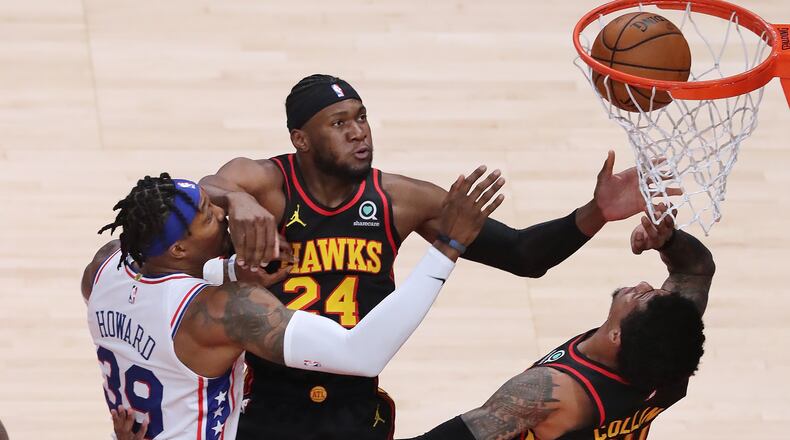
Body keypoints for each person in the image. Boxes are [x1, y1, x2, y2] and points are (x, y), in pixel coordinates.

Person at [199, 74, 666, 440]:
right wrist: (236, 202)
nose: (359, 132)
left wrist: (597, 211)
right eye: (339, 123)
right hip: (265, 401)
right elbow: (205, 187)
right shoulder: (266, 183)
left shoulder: (401, 199)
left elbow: (524, 255)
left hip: (353, 403)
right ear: (301, 139)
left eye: (361, 117)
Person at [84, 170, 503, 439]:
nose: (224, 214)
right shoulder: (226, 311)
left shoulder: (104, 269)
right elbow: (361, 354)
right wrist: (446, 248)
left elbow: (154, 304)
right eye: (210, 218)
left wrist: (228, 267)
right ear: (178, 248)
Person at [405, 208, 713, 440]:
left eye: (643, 297)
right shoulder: (671, 351)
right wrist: (669, 241)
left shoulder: (552, 392)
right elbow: (695, 271)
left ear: (617, 335)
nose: (644, 284)